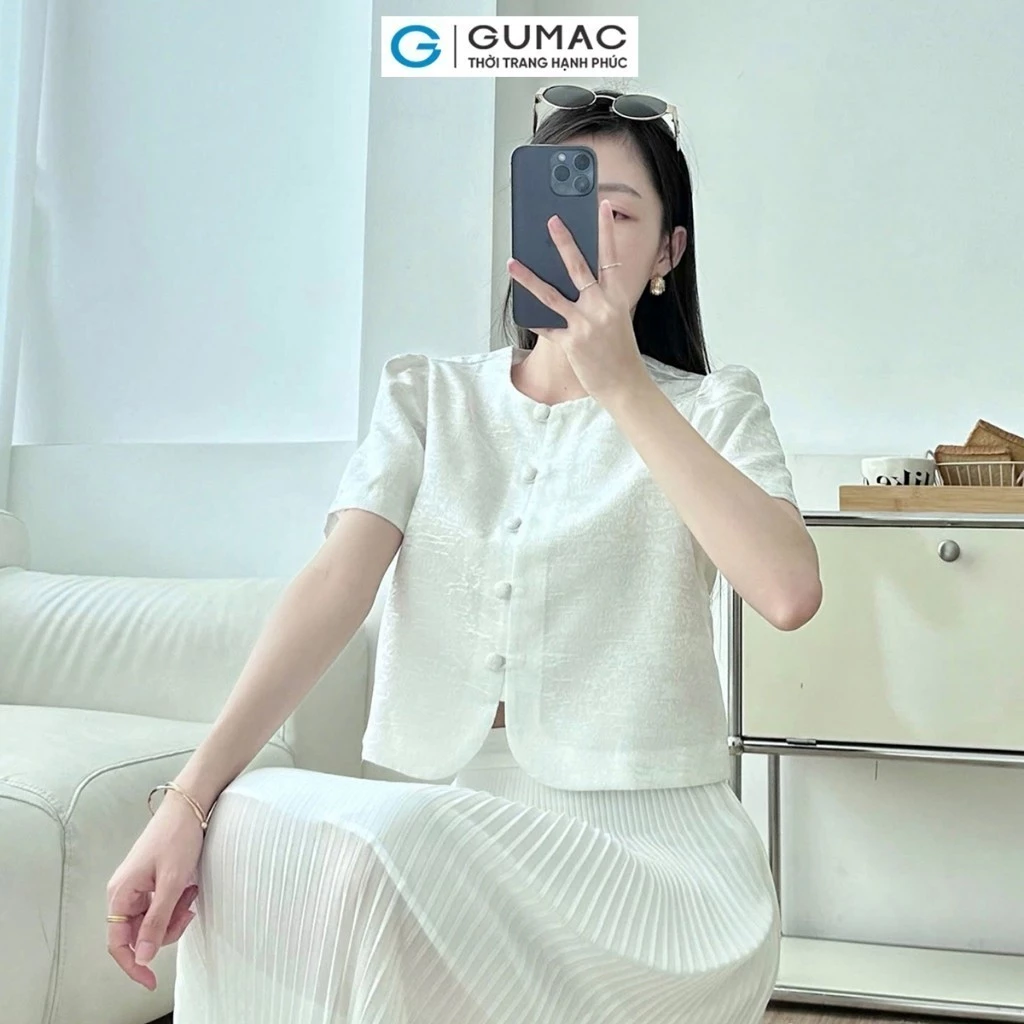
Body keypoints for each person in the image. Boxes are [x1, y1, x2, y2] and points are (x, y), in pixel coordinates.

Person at [105, 85, 822, 1023]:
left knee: (403, 840)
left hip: (649, 868)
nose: (588, 236)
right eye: (566, 206)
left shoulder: (715, 407)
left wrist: (623, 387)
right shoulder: (428, 397)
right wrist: (187, 801)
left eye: (619, 214)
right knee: (246, 822)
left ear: (667, 254)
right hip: (437, 820)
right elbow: (333, 585)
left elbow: (787, 591)